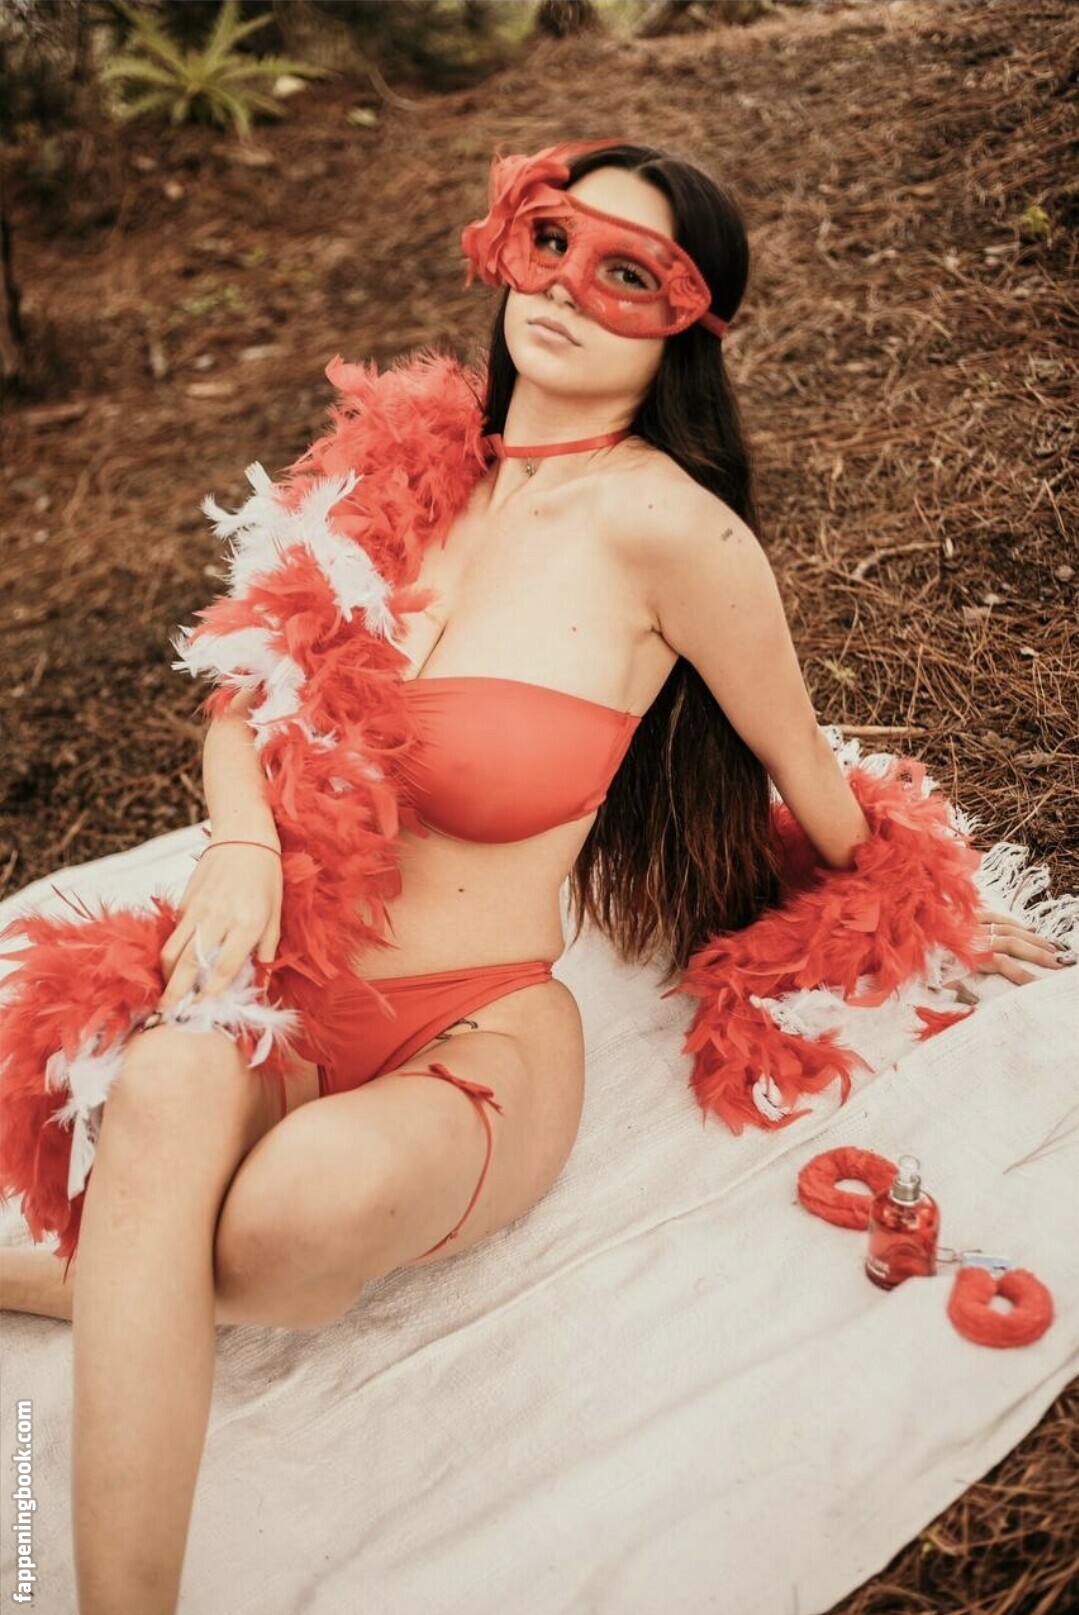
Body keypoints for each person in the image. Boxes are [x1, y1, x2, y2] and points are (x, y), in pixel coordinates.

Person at [0, 137, 1062, 1614]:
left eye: (628, 274)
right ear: (505, 247)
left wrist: (922, 901)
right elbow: (252, 685)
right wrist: (240, 842)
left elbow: (805, 769)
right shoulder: (401, 468)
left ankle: (105, 1270)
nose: (567, 289)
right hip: (274, 984)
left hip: (474, 1024)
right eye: (550, 242)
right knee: (173, 1082)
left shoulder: (675, 534)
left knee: (284, 1217)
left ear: (686, 322)